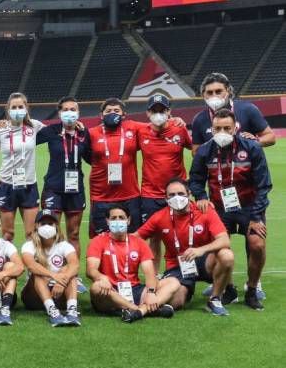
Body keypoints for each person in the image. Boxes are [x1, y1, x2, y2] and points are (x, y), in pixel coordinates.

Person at [189, 109, 272, 310]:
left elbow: (264, 185)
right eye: (218, 128)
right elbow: (196, 180)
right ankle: (229, 289)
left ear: (236, 128)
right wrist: (201, 197)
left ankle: (251, 290)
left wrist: (255, 216)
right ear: (212, 129)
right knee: (218, 251)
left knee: (257, 244)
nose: (223, 132)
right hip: (219, 209)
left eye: (227, 128)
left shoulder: (252, 147)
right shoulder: (204, 151)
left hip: (249, 207)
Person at [135, 179, 234, 316]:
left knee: (226, 255)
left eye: (181, 193)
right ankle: (154, 307)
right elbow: (135, 238)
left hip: (203, 261)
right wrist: (108, 238)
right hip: (178, 266)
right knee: (177, 301)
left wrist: (201, 250)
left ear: (189, 194)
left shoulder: (204, 210)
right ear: (166, 198)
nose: (177, 198)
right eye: (172, 195)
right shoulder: (159, 217)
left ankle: (215, 299)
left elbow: (224, 240)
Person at [86, 206, 179, 323]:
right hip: (110, 291)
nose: (118, 221)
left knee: (173, 282)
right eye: (113, 218)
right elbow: (91, 270)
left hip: (135, 290)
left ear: (128, 220)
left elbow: (150, 273)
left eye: (121, 218)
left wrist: (150, 293)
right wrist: (101, 277)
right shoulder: (97, 241)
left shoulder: (139, 243)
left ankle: (137, 312)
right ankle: (140, 309)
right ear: (107, 221)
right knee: (96, 287)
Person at [36, 96, 90, 256]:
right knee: (49, 233)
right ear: (59, 113)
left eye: (73, 109)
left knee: (73, 234)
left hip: (76, 190)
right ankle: (49, 272)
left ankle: (73, 274)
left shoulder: (83, 133)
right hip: (54, 189)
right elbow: (28, 137)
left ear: (78, 112)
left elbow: (91, 158)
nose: (69, 113)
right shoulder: (51, 131)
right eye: (65, 110)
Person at [86, 98, 143, 235]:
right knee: (101, 240)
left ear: (124, 115)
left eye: (116, 111)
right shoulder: (91, 133)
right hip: (101, 197)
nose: (112, 113)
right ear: (101, 115)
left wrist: (174, 119)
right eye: (108, 111)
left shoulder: (134, 127)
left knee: (133, 238)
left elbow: (155, 126)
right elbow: (86, 155)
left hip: (130, 196)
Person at [0, 92, 43, 242]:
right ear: (8, 109)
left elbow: (57, 132)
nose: (17, 109)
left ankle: (31, 266)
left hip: (28, 185)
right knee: (7, 234)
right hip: (6, 185)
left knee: (31, 234)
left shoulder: (35, 126)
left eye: (20, 106)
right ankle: (10, 266)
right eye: (13, 107)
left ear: (26, 108)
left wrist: (77, 125)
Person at [137, 95, 191, 224]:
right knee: (153, 235)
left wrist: (193, 177)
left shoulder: (179, 128)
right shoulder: (140, 131)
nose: (158, 114)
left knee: (180, 230)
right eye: (154, 111)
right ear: (148, 113)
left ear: (169, 112)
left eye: (162, 110)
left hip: (177, 191)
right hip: (150, 194)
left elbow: (197, 150)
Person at [20, 210, 80, 326]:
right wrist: (54, 276)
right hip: (33, 297)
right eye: (43, 224)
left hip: (59, 292)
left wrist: (63, 280)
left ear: (56, 226)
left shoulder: (64, 245)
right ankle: (52, 311)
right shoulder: (29, 245)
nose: (47, 227)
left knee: (70, 272)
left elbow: (75, 264)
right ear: (37, 226)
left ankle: (72, 311)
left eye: (50, 224)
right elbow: (31, 265)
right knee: (38, 273)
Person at [191, 72, 275, 150]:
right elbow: (195, 151)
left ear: (228, 91)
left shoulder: (248, 109)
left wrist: (252, 142)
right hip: (215, 165)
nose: (214, 96)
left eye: (218, 91)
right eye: (209, 92)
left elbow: (270, 137)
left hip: (245, 163)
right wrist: (212, 148)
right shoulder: (199, 119)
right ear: (203, 95)